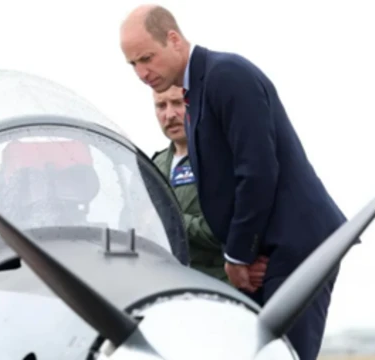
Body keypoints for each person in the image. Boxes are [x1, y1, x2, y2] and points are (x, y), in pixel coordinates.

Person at [119, 5, 356, 360]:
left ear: (173, 39)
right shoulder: (196, 91)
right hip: (267, 253)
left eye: (146, 58)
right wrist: (244, 255)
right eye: (132, 64)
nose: (141, 72)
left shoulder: (225, 76)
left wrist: (238, 254)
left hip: (295, 248)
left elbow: (258, 170)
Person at [150, 85, 267, 283]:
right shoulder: (153, 166)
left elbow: (227, 228)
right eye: (161, 106)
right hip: (163, 286)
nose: (169, 114)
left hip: (216, 288)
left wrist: (170, 220)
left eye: (177, 103)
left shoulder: (223, 160)